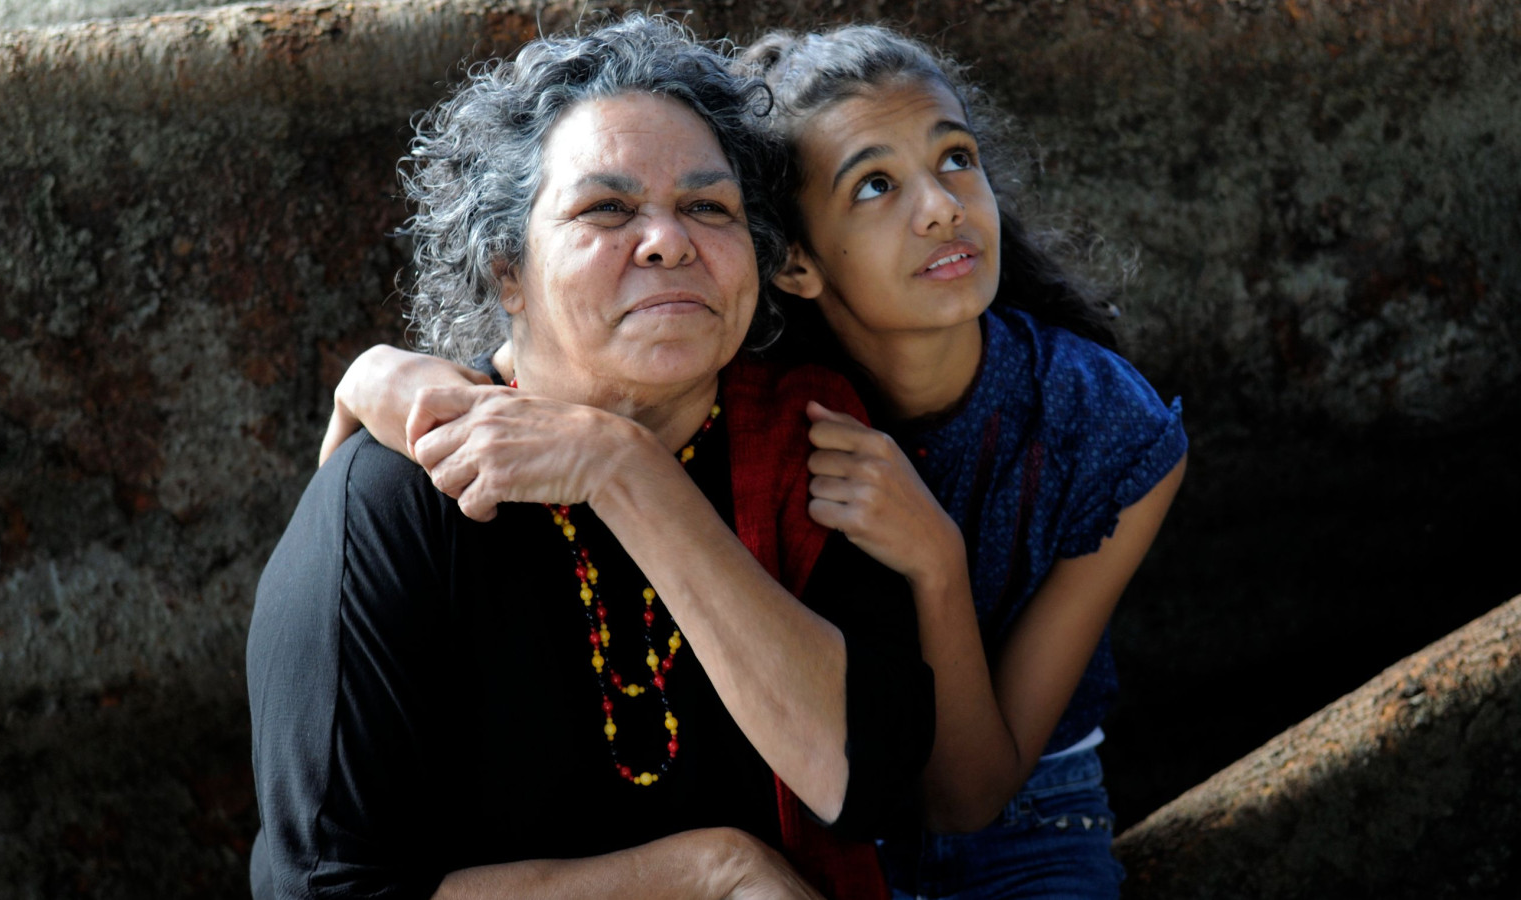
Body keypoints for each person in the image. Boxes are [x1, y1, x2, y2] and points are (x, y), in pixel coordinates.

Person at [324, 23, 1188, 900]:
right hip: (809, 835)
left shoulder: (1097, 427)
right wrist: (375, 375)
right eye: (876, 185)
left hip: (1023, 817)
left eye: (958, 158)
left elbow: (963, 796)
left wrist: (935, 562)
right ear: (796, 265)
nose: (939, 207)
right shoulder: (746, 371)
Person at [247, 16, 933, 900]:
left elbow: (868, 784)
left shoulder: (813, 451)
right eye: (607, 209)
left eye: (709, 207)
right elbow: (325, 891)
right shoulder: (396, 503)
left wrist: (627, 472)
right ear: (505, 270)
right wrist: (705, 874)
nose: (668, 240)